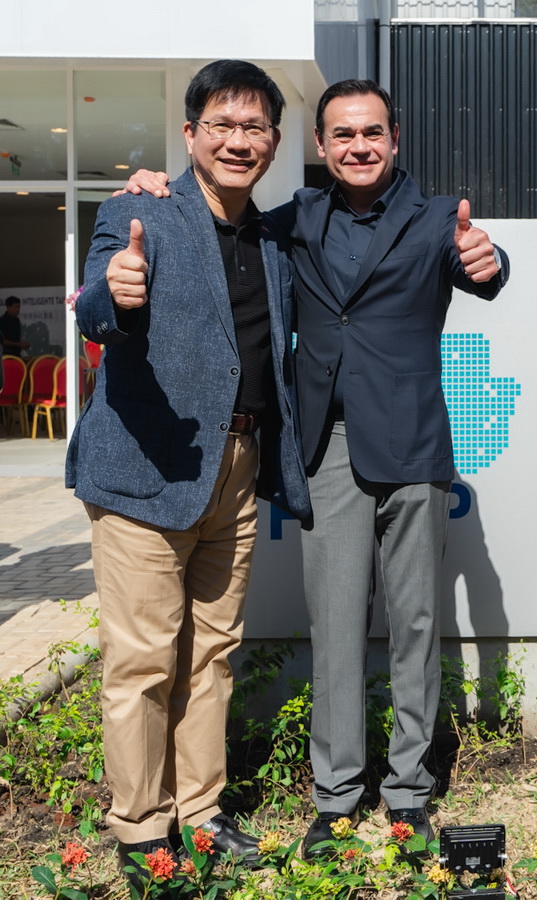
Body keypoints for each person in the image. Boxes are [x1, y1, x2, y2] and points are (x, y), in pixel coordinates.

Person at [124, 78, 508, 856]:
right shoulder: (294, 219)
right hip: (326, 449)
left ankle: (408, 793)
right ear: (322, 146)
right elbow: (216, 221)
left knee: (416, 626)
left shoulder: (439, 218)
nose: (357, 146)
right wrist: (154, 184)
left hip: (413, 451)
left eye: (372, 133)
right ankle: (335, 798)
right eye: (341, 136)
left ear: (394, 139)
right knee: (333, 627)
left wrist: (489, 258)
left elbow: (486, 269)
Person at [69, 60, 311, 892]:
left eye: (254, 129)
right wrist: (112, 291)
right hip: (144, 465)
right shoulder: (144, 210)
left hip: (237, 469)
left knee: (212, 653)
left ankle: (201, 811)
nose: (238, 141)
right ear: (191, 136)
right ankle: (142, 830)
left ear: (275, 143)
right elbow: (99, 297)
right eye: (222, 125)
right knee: (141, 662)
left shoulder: (275, 235)